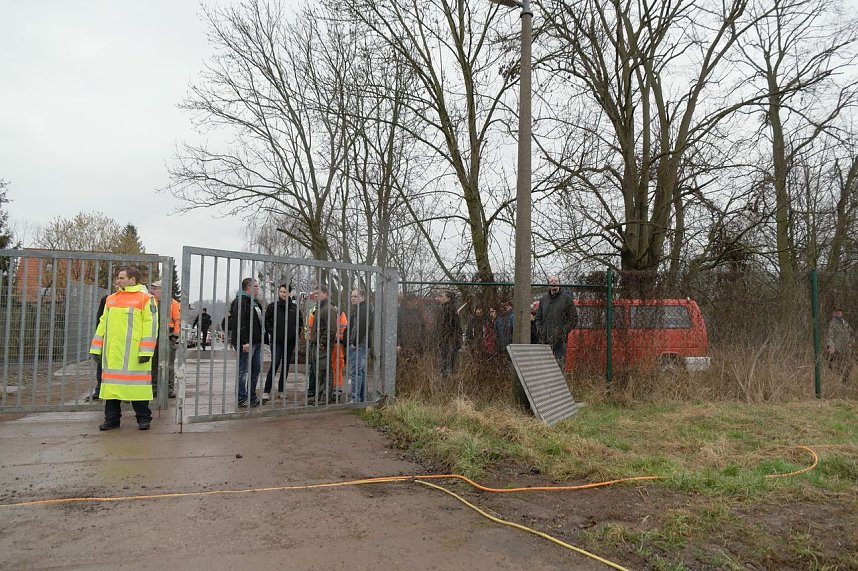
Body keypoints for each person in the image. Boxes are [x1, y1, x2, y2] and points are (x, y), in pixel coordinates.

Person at [89, 266, 157, 431]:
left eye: (121, 278)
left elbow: (151, 326)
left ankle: (143, 419)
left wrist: (146, 351)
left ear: (132, 280)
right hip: (112, 354)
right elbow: (102, 323)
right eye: (117, 278)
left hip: (134, 354)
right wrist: (96, 348)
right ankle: (111, 419)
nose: (117, 281)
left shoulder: (146, 299)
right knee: (111, 389)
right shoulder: (111, 299)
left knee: (137, 389)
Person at [226, 277, 264, 407]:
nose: (258, 288)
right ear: (249, 288)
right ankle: (241, 398)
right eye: (256, 286)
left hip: (257, 341)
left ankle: (251, 396)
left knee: (256, 369)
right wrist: (244, 342)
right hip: (247, 343)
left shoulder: (254, 302)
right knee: (243, 371)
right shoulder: (241, 301)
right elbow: (239, 322)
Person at [262, 284, 302, 402]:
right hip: (276, 340)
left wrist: (295, 334)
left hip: (290, 341)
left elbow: (300, 323)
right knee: (275, 363)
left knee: (286, 365)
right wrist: (272, 332)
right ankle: (266, 390)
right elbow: (267, 321)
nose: (283, 294)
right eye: (281, 292)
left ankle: (281, 390)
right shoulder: (272, 307)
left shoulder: (295, 308)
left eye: (285, 292)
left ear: (289, 293)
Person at [534, 275, 578, 368]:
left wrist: (562, 332)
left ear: (559, 283)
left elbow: (573, 319)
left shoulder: (567, 300)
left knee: (559, 367)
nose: (554, 283)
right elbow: (538, 318)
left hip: (560, 341)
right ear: (548, 285)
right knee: (545, 367)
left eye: (556, 281)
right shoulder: (543, 300)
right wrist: (540, 330)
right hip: (545, 340)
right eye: (551, 281)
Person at [306, 286, 338, 405]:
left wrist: (322, 342)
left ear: (325, 293)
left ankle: (325, 396)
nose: (315, 295)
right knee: (318, 371)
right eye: (314, 293)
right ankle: (318, 396)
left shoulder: (328, 309)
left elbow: (331, 329)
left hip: (322, 346)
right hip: (316, 345)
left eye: (317, 293)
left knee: (324, 371)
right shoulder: (320, 308)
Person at [150, 280, 180, 399]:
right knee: (153, 364)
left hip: (168, 335)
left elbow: (178, 319)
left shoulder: (172, 303)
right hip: (153, 335)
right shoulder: (150, 302)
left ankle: (168, 389)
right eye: (152, 288)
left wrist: (174, 335)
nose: (152, 290)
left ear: (162, 290)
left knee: (168, 364)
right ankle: (154, 389)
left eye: (154, 288)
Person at [347, 289, 373, 403]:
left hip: (359, 346)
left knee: (356, 372)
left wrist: (354, 344)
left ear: (363, 297)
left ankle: (355, 399)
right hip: (361, 345)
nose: (353, 298)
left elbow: (362, 328)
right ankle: (361, 398)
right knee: (360, 372)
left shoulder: (363, 311)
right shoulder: (361, 310)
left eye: (356, 296)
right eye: (352, 296)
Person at [85, 293, 109, 402]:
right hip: (108, 337)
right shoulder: (108, 299)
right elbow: (100, 320)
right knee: (102, 364)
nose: (118, 282)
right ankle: (100, 389)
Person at [435, 290, 462, 380]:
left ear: (448, 299)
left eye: (443, 296)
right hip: (446, 340)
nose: (441, 298)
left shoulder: (449, 310)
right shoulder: (444, 309)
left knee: (447, 362)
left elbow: (452, 327)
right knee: (447, 362)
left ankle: (446, 379)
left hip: (448, 341)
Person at [826, 306, 854, 383]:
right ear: (834, 313)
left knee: (849, 365)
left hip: (847, 348)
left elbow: (850, 334)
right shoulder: (832, 323)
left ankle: (846, 380)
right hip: (838, 348)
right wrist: (831, 347)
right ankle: (840, 380)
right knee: (838, 365)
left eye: (840, 311)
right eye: (837, 311)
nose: (839, 312)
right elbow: (830, 336)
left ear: (842, 313)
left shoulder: (845, 323)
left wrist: (851, 343)